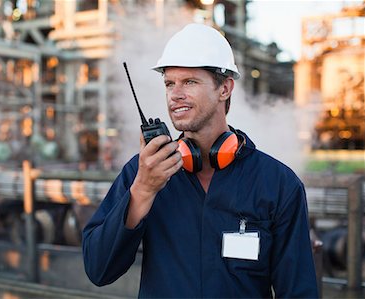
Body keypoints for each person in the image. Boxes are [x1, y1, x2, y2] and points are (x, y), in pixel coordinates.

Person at [82, 23, 318, 298]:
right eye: (169, 83)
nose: (175, 94)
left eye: (190, 82)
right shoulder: (143, 171)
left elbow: (299, 291)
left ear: (225, 89)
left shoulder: (278, 184)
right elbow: (98, 270)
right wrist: (143, 191)